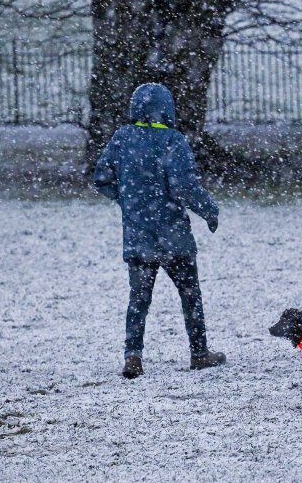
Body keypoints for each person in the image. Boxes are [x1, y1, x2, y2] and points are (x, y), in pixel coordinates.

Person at [92, 83, 225, 379]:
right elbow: (183, 187)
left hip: (138, 236)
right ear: (167, 109)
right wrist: (209, 210)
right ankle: (200, 352)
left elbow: (101, 178)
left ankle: (133, 356)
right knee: (190, 295)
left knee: (139, 298)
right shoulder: (173, 141)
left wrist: (128, 200)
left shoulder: (122, 138)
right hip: (173, 234)